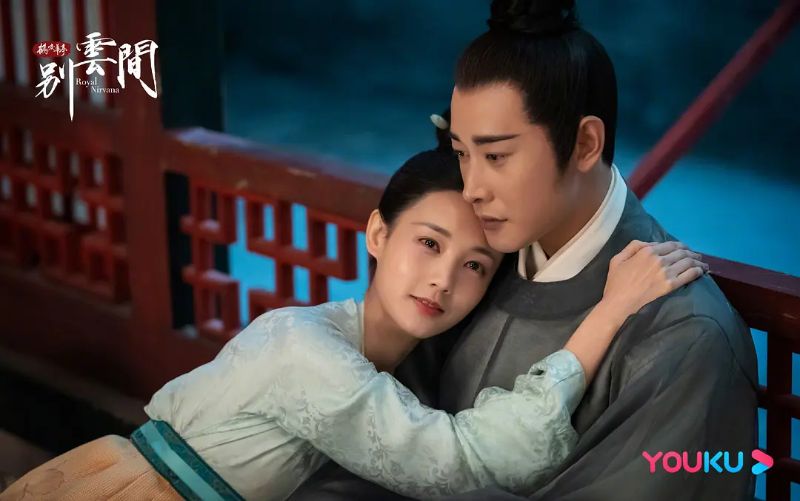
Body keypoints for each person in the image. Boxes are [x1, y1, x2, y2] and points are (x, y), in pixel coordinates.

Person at [0, 147, 704, 501]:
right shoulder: (307, 351)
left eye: (475, 265)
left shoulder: (349, 342)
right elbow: (454, 459)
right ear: (377, 234)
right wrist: (608, 312)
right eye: (427, 243)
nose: (443, 280)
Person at [290, 1, 759, 500]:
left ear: (585, 144)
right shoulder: (473, 260)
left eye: (496, 156)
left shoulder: (683, 334)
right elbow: (377, 453)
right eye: (462, 153)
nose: (472, 188)